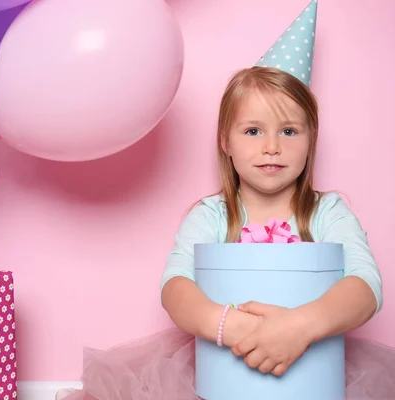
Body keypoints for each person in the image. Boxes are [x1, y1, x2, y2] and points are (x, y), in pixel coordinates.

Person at [56, 1, 395, 399]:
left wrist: (299, 326)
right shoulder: (212, 216)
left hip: (311, 374)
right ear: (225, 141)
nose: (271, 147)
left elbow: (366, 285)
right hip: (225, 373)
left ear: (311, 142)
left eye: (289, 131)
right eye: (253, 131)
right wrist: (229, 326)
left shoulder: (327, 212)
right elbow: (175, 286)